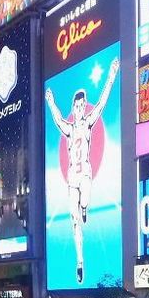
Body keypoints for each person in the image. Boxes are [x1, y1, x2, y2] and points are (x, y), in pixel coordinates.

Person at [44, 56, 120, 284]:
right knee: (74, 221)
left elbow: (103, 102)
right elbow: (57, 118)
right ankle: (80, 262)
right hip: (71, 178)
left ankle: (85, 207)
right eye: (76, 106)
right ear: (73, 108)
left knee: (84, 201)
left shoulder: (88, 123)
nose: (78, 108)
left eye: (81, 105)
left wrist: (112, 74)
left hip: (85, 173)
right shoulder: (68, 128)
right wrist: (50, 100)